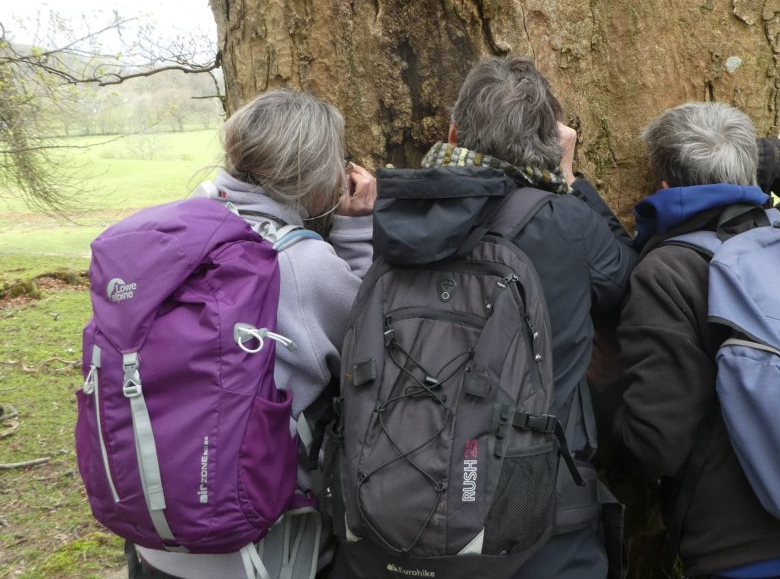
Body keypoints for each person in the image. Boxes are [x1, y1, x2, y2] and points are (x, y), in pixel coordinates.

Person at [334, 55, 636, 579]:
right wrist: (569, 181)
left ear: (453, 131)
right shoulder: (564, 221)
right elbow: (627, 283)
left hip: (384, 521)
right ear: (549, 141)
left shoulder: (400, 214)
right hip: (536, 518)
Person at [611, 102, 780, 579]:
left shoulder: (667, 273)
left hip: (742, 550)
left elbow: (656, 445)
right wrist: (750, 154)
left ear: (664, 188)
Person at [128, 89, 376, 579]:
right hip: (259, 548)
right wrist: (356, 229)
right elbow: (371, 339)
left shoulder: (165, 235)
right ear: (314, 173)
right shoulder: (301, 266)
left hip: (152, 529)